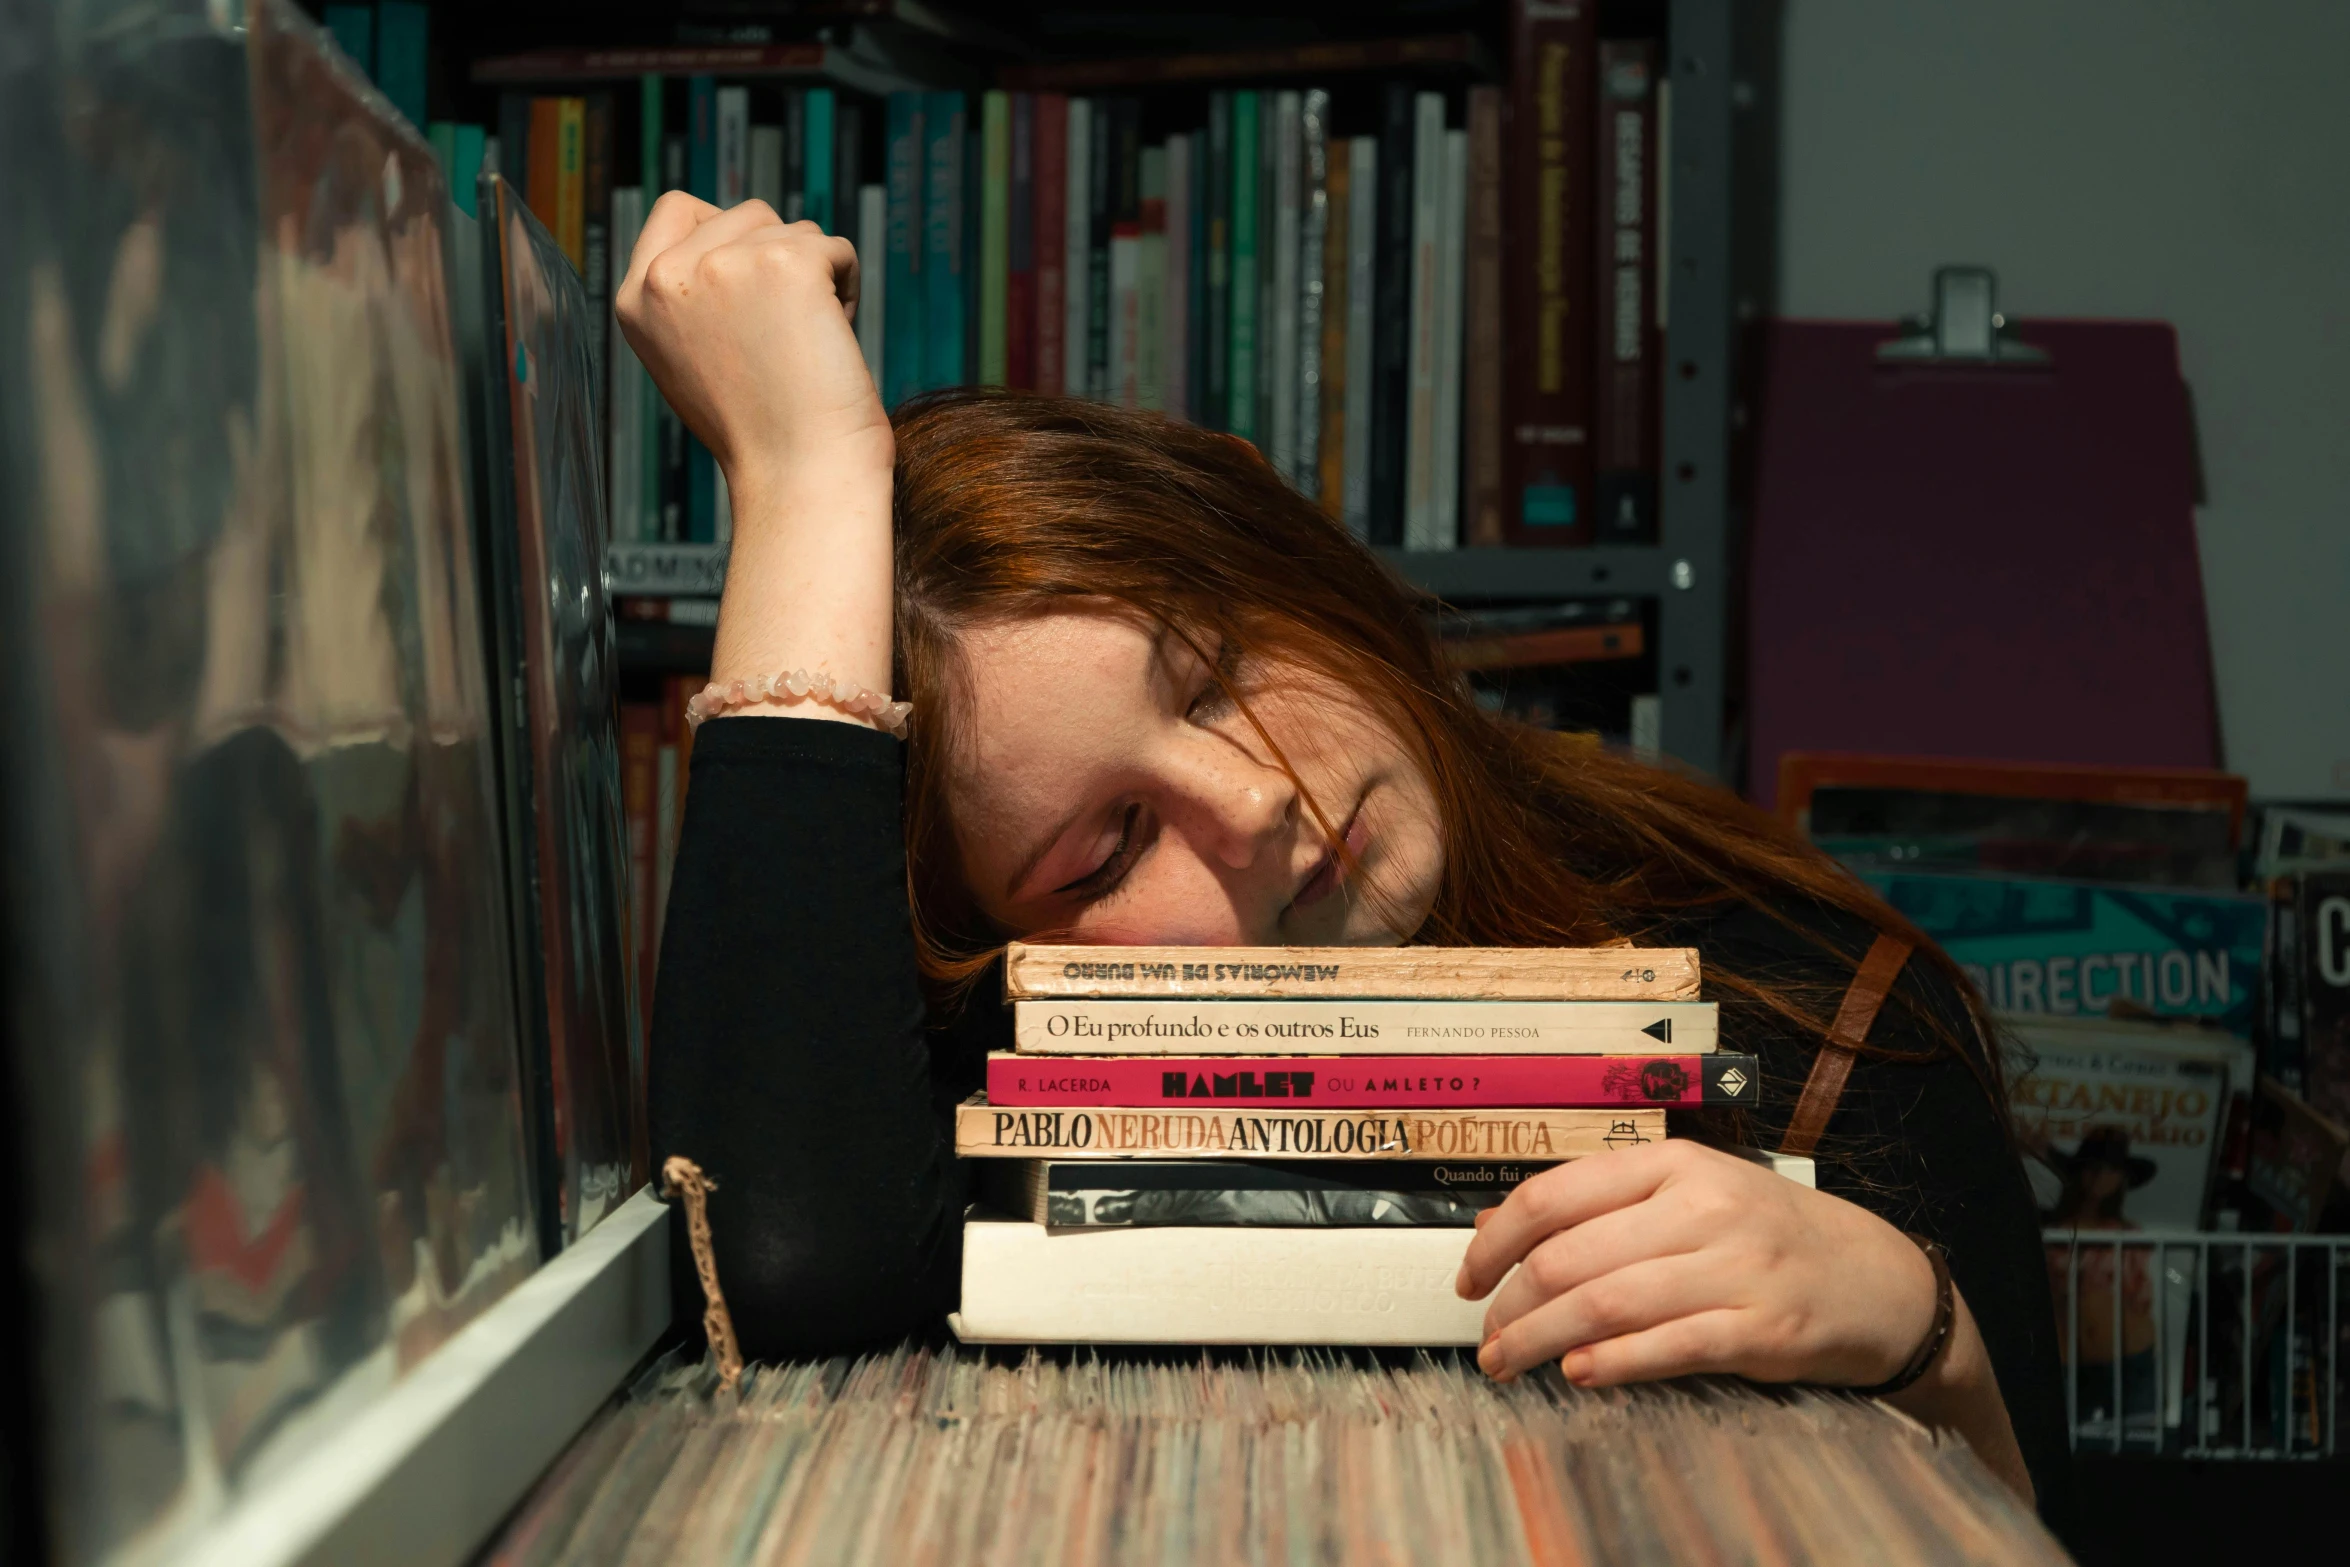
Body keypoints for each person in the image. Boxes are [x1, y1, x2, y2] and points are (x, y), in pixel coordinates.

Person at [617, 196, 2068, 1516]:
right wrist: (807, 475)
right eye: (1109, 849)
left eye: (1213, 673)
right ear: (1003, 964)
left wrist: (1920, 1334)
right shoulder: (993, 1118)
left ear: (1296, 570)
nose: (1249, 804)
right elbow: (785, 1254)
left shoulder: (1824, 1020)